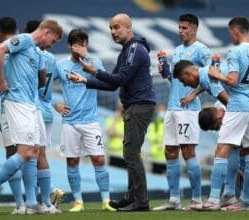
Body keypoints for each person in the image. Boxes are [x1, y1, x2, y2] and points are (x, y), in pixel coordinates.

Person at [70, 13, 156, 211]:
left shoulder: (134, 48)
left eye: (117, 27)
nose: (113, 32)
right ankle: (131, 196)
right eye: (110, 28)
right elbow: (111, 85)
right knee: (130, 153)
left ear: (128, 27)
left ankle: (141, 201)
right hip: (135, 105)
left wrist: (93, 71)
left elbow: (120, 79)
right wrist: (85, 81)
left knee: (131, 153)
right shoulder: (127, 50)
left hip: (139, 105)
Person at [0, 19, 63, 216]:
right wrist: (1, 81)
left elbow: (39, 80)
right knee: (25, 152)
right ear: (46, 32)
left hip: (30, 104)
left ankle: (32, 203)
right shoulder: (24, 40)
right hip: (17, 103)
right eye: (54, 40)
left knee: (33, 152)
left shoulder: (34, 50)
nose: (52, 45)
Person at [199, 16, 249, 211]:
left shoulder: (235, 52)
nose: (229, 36)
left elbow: (232, 80)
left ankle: (214, 199)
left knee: (222, 150)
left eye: (230, 32)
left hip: (238, 106)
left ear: (235, 31)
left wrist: (216, 75)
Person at [153, 13, 211, 211]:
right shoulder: (177, 51)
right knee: (170, 152)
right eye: (179, 28)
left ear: (194, 29)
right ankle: (174, 199)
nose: (181, 31)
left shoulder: (202, 50)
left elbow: (211, 76)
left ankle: (196, 200)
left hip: (188, 109)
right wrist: (165, 73)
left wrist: (194, 94)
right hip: (172, 107)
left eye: (185, 28)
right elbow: (175, 79)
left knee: (188, 153)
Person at [53, 28, 115, 212]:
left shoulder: (94, 62)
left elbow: (109, 84)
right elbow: (44, 87)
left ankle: (106, 200)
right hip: (70, 122)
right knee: (72, 161)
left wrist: (90, 65)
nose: (80, 47)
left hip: (90, 121)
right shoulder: (60, 65)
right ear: (70, 45)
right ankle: (78, 202)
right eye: (77, 44)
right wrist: (55, 103)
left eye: (84, 44)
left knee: (98, 159)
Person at [23, 19, 62, 214]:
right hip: (46, 109)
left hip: (32, 108)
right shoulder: (52, 59)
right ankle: (44, 198)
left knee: (29, 154)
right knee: (39, 154)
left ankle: (40, 199)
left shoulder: (30, 53)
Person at [0, 16, 27, 215]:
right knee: (31, 153)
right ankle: (36, 201)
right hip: (29, 108)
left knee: (12, 153)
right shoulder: (27, 50)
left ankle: (19, 204)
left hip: (8, 109)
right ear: (16, 32)